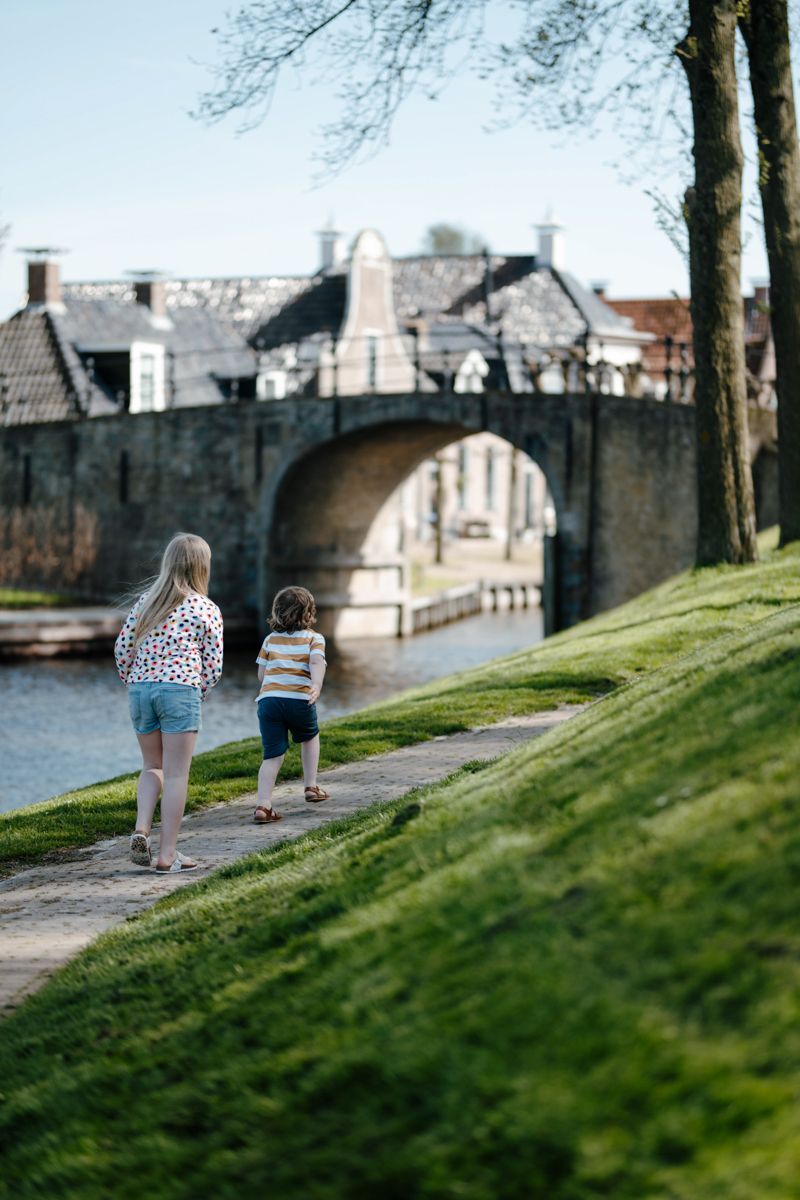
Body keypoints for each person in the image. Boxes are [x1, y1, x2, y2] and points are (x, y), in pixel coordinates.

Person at [114, 532, 223, 873]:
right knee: (177, 774)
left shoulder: (145, 602)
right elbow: (213, 665)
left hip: (141, 690)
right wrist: (198, 692)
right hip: (180, 690)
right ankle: (167, 854)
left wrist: (134, 681)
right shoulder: (205, 608)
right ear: (202, 567)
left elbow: (122, 650)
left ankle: (142, 828)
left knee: (151, 766)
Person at [253, 585, 329, 824]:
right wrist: (315, 685)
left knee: (272, 755)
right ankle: (311, 786)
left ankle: (263, 805)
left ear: (277, 611)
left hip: (269, 702)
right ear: (309, 612)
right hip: (299, 699)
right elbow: (317, 662)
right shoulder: (314, 639)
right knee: (309, 737)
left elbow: (261, 675)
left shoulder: (269, 640)